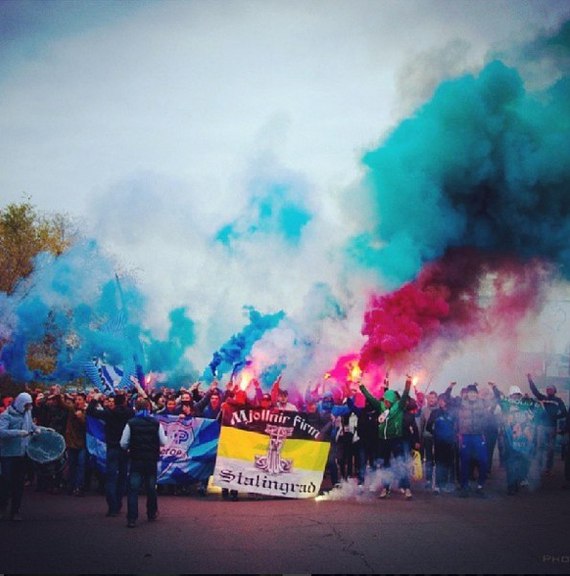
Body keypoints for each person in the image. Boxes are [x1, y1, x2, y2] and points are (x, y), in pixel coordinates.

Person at [359, 375, 413, 500]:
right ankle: (385, 488)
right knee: (385, 464)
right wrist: (361, 386)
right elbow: (370, 398)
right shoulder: (381, 406)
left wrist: (408, 383)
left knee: (401, 464)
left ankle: (407, 489)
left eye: (387, 400)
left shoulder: (398, 407)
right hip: (383, 441)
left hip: (396, 439)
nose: (385, 402)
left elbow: (405, 394)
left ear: (392, 400)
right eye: (384, 400)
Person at [120, 397, 167, 528]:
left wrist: (130, 447)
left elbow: (123, 443)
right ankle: (151, 512)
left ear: (135, 408)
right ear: (148, 408)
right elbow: (163, 441)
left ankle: (132, 518)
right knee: (151, 488)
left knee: (133, 489)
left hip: (136, 459)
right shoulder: (156, 423)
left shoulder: (131, 423)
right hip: (151, 459)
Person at [87, 390, 134, 517]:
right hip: (125, 449)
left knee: (111, 478)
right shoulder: (129, 413)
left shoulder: (109, 413)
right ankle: (118, 503)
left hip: (112, 447)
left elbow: (91, 411)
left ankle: (112, 507)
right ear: (124, 402)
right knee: (123, 476)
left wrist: (95, 399)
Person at [490, 382, 542, 495]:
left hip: (523, 440)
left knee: (523, 462)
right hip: (510, 440)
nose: (516, 396)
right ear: (510, 395)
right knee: (511, 463)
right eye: (514, 394)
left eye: (518, 394)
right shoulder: (506, 404)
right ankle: (511, 486)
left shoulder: (526, 404)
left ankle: (518, 481)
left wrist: (531, 400)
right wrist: (495, 387)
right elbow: (499, 398)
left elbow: (539, 409)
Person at [0, 392, 44, 521]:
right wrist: (18, 433)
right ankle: (3, 506)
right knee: (6, 482)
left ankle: (15, 510)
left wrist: (37, 428)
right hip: (8, 454)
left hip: (22, 454)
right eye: (27, 405)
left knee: (18, 483)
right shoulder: (6, 416)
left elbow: (30, 425)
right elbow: (1, 432)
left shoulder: (27, 414)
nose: (28, 407)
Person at [455, 383, 494, 497]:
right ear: (467, 394)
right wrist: (450, 387)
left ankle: (480, 485)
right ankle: (464, 486)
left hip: (478, 435)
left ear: (477, 394)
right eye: (470, 392)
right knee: (465, 461)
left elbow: (496, 400)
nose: (472, 395)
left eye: (474, 393)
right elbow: (447, 400)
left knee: (483, 460)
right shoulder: (461, 403)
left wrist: (494, 387)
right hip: (465, 436)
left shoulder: (482, 402)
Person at [527, 374, 567, 476]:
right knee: (540, 447)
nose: (548, 390)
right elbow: (534, 391)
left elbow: (564, 412)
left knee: (550, 449)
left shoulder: (558, 401)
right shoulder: (543, 398)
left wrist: (555, 417)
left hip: (552, 427)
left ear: (554, 390)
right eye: (547, 389)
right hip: (541, 427)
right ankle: (539, 466)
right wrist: (530, 380)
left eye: (550, 389)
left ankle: (548, 468)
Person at [426, 394, 457, 493]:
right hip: (438, 442)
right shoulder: (435, 413)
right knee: (439, 463)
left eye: (443, 400)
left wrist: (453, 435)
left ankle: (448, 483)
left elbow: (457, 426)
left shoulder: (452, 413)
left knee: (449, 462)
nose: (441, 402)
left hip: (450, 442)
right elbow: (428, 426)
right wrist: (435, 433)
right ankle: (438, 484)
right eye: (440, 400)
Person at [419, 391, 438, 489]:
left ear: (436, 399)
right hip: (427, 437)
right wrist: (420, 438)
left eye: (433, 398)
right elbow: (421, 425)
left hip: (438, 438)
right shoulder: (424, 410)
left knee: (437, 459)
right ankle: (428, 479)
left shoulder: (439, 410)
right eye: (430, 398)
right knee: (429, 459)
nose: (431, 400)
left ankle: (437, 480)